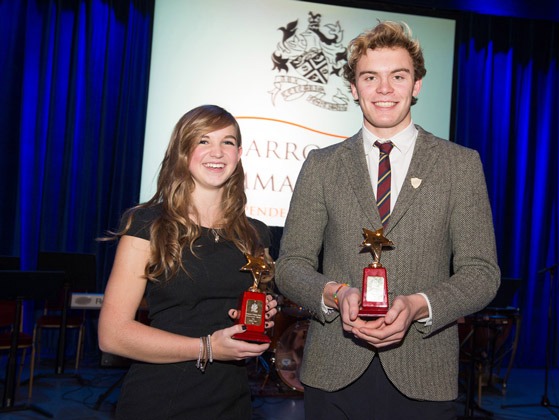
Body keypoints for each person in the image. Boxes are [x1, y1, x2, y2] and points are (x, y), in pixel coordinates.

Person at [275, 21, 501, 419]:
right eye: (370, 77)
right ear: (353, 88)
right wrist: (336, 293)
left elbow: (482, 273)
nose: (384, 89)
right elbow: (291, 266)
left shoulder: (460, 165)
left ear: (416, 85)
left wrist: (418, 305)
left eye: (398, 76)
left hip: (424, 373)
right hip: (333, 373)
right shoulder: (322, 165)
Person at [98, 105, 278, 419]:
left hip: (232, 401)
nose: (217, 152)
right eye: (204, 141)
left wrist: (256, 318)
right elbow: (112, 335)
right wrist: (208, 347)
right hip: (162, 399)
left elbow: (247, 314)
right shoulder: (149, 224)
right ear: (183, 152)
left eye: (228, 142)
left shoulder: (255, 234)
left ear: (238, 154)